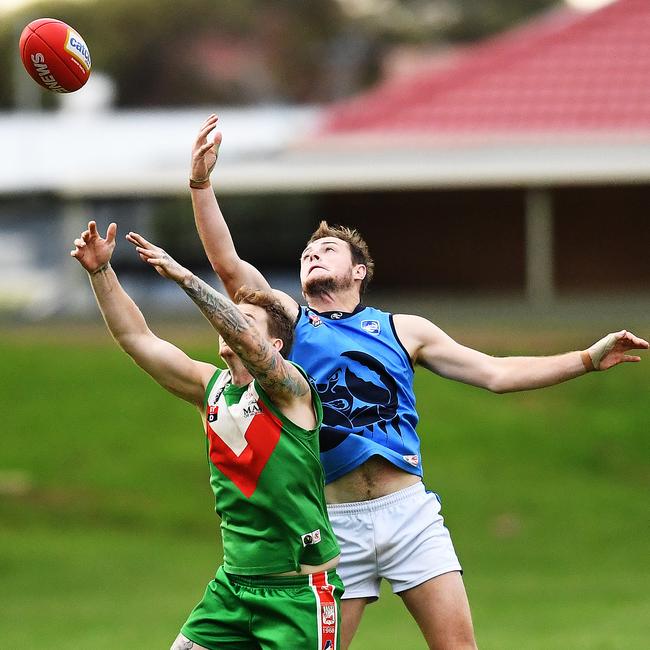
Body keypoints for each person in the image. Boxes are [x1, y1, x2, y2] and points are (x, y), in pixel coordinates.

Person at [187, 115, 649, 650]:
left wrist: (586, 359)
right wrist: (201, 185)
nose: (313, 255)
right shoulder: (287, 324)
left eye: (328, 250)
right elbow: (227, 265)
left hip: (409, 514)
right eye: (307, 254)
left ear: (360, 271)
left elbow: (495, 373)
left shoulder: (404, 330)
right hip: (336, 522)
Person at [71, 220, 344, 650]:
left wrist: (185, 278)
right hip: (231, 591)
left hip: (298, 595)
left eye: (244, 318)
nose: (230, 323)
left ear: (275, 345)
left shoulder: (290, 390)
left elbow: (247, 344)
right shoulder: (209, 389)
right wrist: (101, 272)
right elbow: (135, 337)